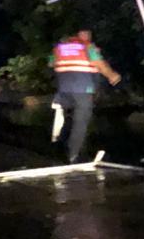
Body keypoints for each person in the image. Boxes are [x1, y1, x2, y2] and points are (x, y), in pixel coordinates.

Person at [49, 29, 121, 163]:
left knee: (68, 119)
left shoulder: (59, 48)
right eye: (87, 34)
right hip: (82, 89)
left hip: (64, 89)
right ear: (81, 34)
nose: (89, 37)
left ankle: (59, 148)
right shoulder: (88, 47)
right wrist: (113, 76)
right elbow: (99, 64)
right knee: (80, 122)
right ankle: (74, 155)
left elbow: (51, 63)